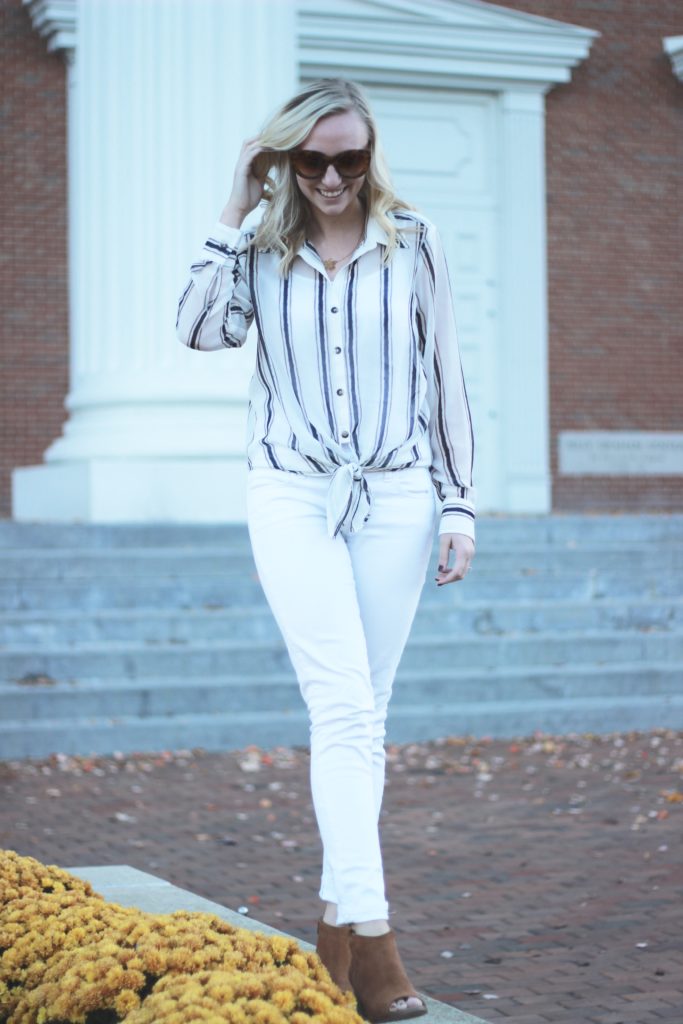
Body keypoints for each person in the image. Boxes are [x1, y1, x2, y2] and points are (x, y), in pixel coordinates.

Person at [176, 77, 476, 1024]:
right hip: (293, 494)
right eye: (313, 160)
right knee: (342, 704)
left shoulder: (415, 243)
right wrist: (234, 201)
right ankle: (379, 950)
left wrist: (458, 506)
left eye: (349, 158)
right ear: (285, 160)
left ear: (369, 154)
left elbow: (446, 374)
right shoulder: (259, 251)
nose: (334, 176)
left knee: (364, 715)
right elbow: (194, 330)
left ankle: (331, 945)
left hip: (397, 495)